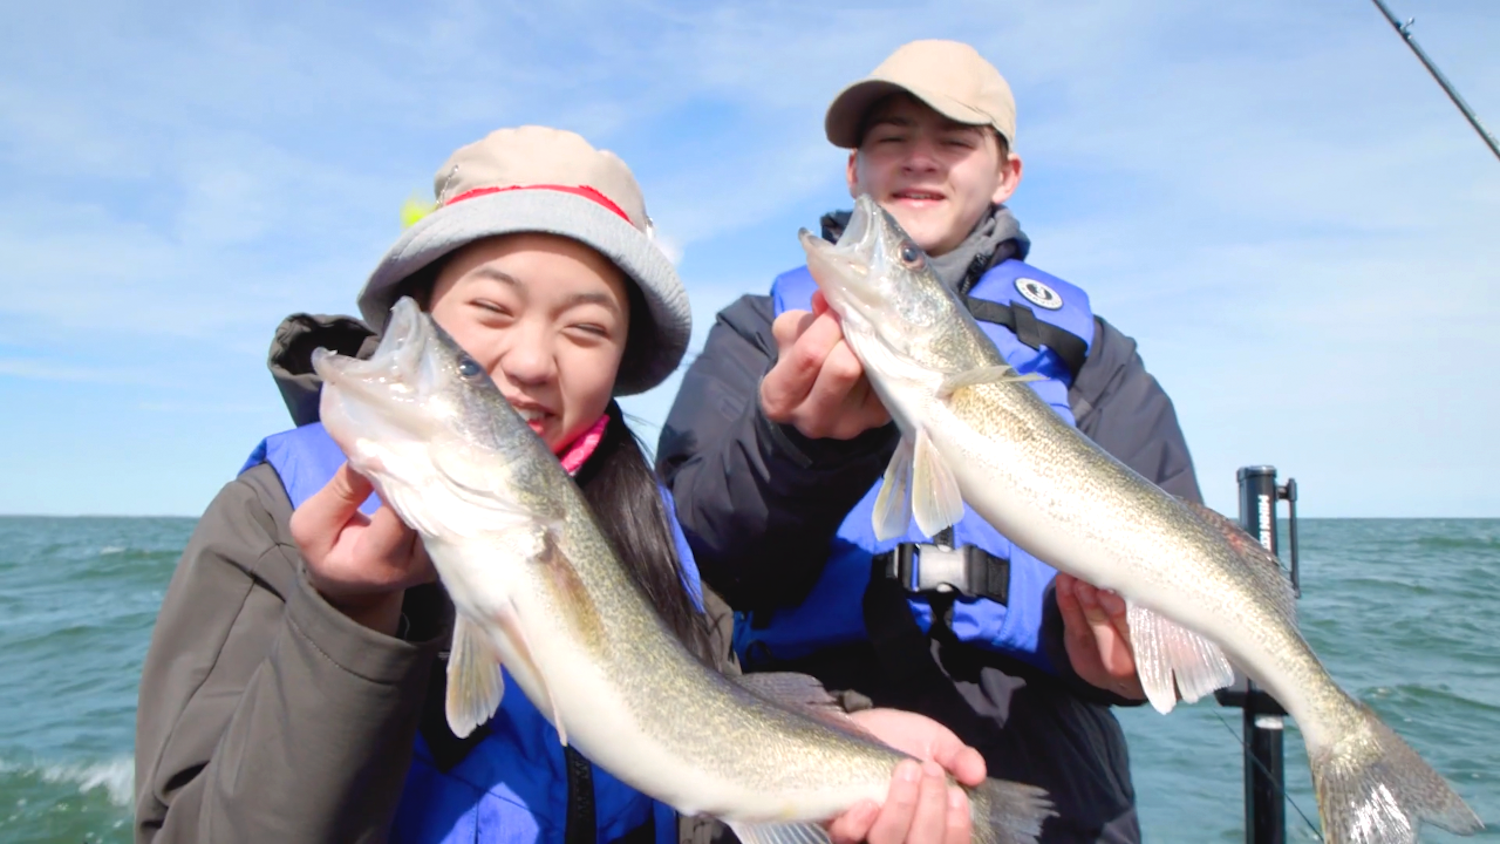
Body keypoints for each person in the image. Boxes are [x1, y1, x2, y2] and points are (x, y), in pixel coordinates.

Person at [134, 126, 992, 844]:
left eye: (586, 328)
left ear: (623, 362)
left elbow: (698, 757)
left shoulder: (649, 529)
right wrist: (349, 618)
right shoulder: (267, 517)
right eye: (492, 311)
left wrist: (839, 749)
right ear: (419, 315)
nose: (533, 362)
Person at [655, 40, 1203, 844]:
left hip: (1048, 774)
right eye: (889, 140)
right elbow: (689, 563)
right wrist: (798, 451)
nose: (919, 161)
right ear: (853, 171)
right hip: (810, 746)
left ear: (1005, 173)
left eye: (954, 141)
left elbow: (1174, 597)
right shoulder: (758, 330)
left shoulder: (1096, 357)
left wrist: (1128, 666)